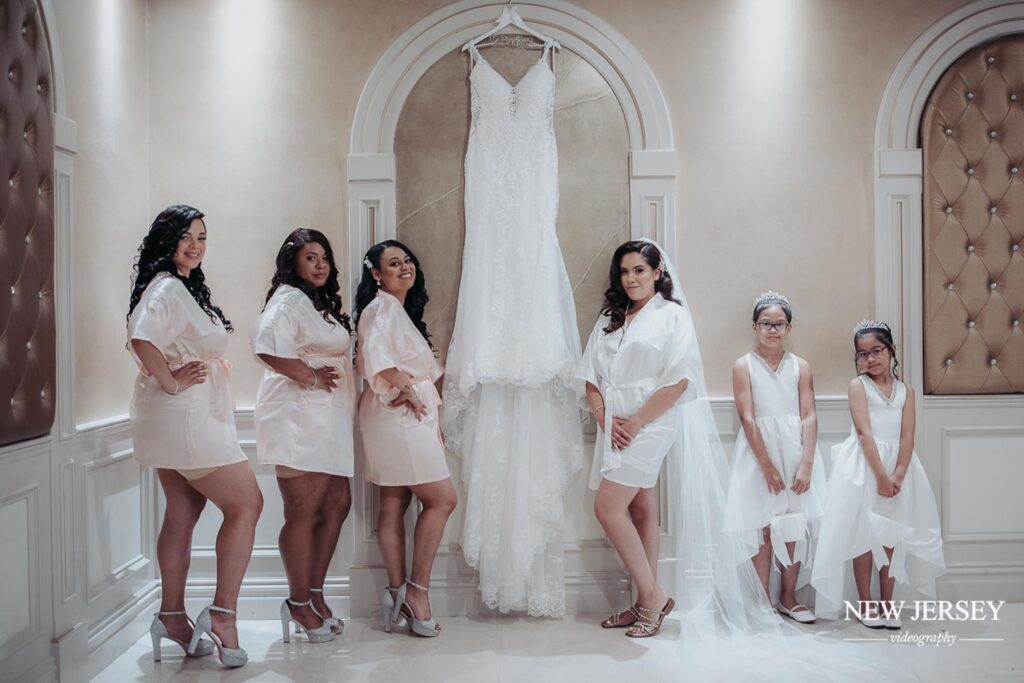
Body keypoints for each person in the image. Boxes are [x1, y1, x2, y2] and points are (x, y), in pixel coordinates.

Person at [127, 205, 262, 667]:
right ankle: (223, 615)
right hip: (184, 414)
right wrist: (172, 381)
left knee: (183, 510)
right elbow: (140, 338)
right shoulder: (166, 286)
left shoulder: (182, 288)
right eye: (185, 236)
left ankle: (172, 616)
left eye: (202, 237)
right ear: (166, 241)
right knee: (247, 504)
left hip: (178, 415)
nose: (195, 245)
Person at [252, 228, 355, 644]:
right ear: (292, 262)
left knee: (336, 503)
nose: (320, 265)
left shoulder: (317, 305)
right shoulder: (288, 299)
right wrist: (309, 376)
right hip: (298, 415)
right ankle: (297, 601)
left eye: (324, 257)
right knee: (303, 511)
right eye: (310, 257)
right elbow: (264, 345)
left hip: (328, 417)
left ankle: (313, 591)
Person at [811, 321, 946, 628]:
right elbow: (863, 433)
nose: (870, 359)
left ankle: (888, 602)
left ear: (891, 350)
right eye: (862, 354)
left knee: (891, 535)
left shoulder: (905, 391)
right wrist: (881, 476)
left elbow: (908, 435)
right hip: (864, 468)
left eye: (876, 351)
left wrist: (898, 473)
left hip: (899, 468)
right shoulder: (858, 387)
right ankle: (866, 603)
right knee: (863, 536)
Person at [354, 240, 457, 638]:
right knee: (443, 499)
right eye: (393, 263)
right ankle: (416, 592)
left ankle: (396, 592)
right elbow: (378, 358)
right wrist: (411, 391)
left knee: (394, 500)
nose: (404, 267)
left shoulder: (396, 310)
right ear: (376, 274)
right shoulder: (380, 308)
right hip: (398, 411)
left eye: (408, 260)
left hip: (397, 412)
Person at [723, 291, 826, 623]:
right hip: (759, 454)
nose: (772, 330)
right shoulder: (744, 366)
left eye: (779, 324)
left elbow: (809, 414)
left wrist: (807, 461)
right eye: (765, 323)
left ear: (789, 328)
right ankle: (762, 601)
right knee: (764, 526)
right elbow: (747, 417)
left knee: (793, 525)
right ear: (755, 326)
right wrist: (766, 465)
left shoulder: (801, 367)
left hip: (795, 450)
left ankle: (789, 596)